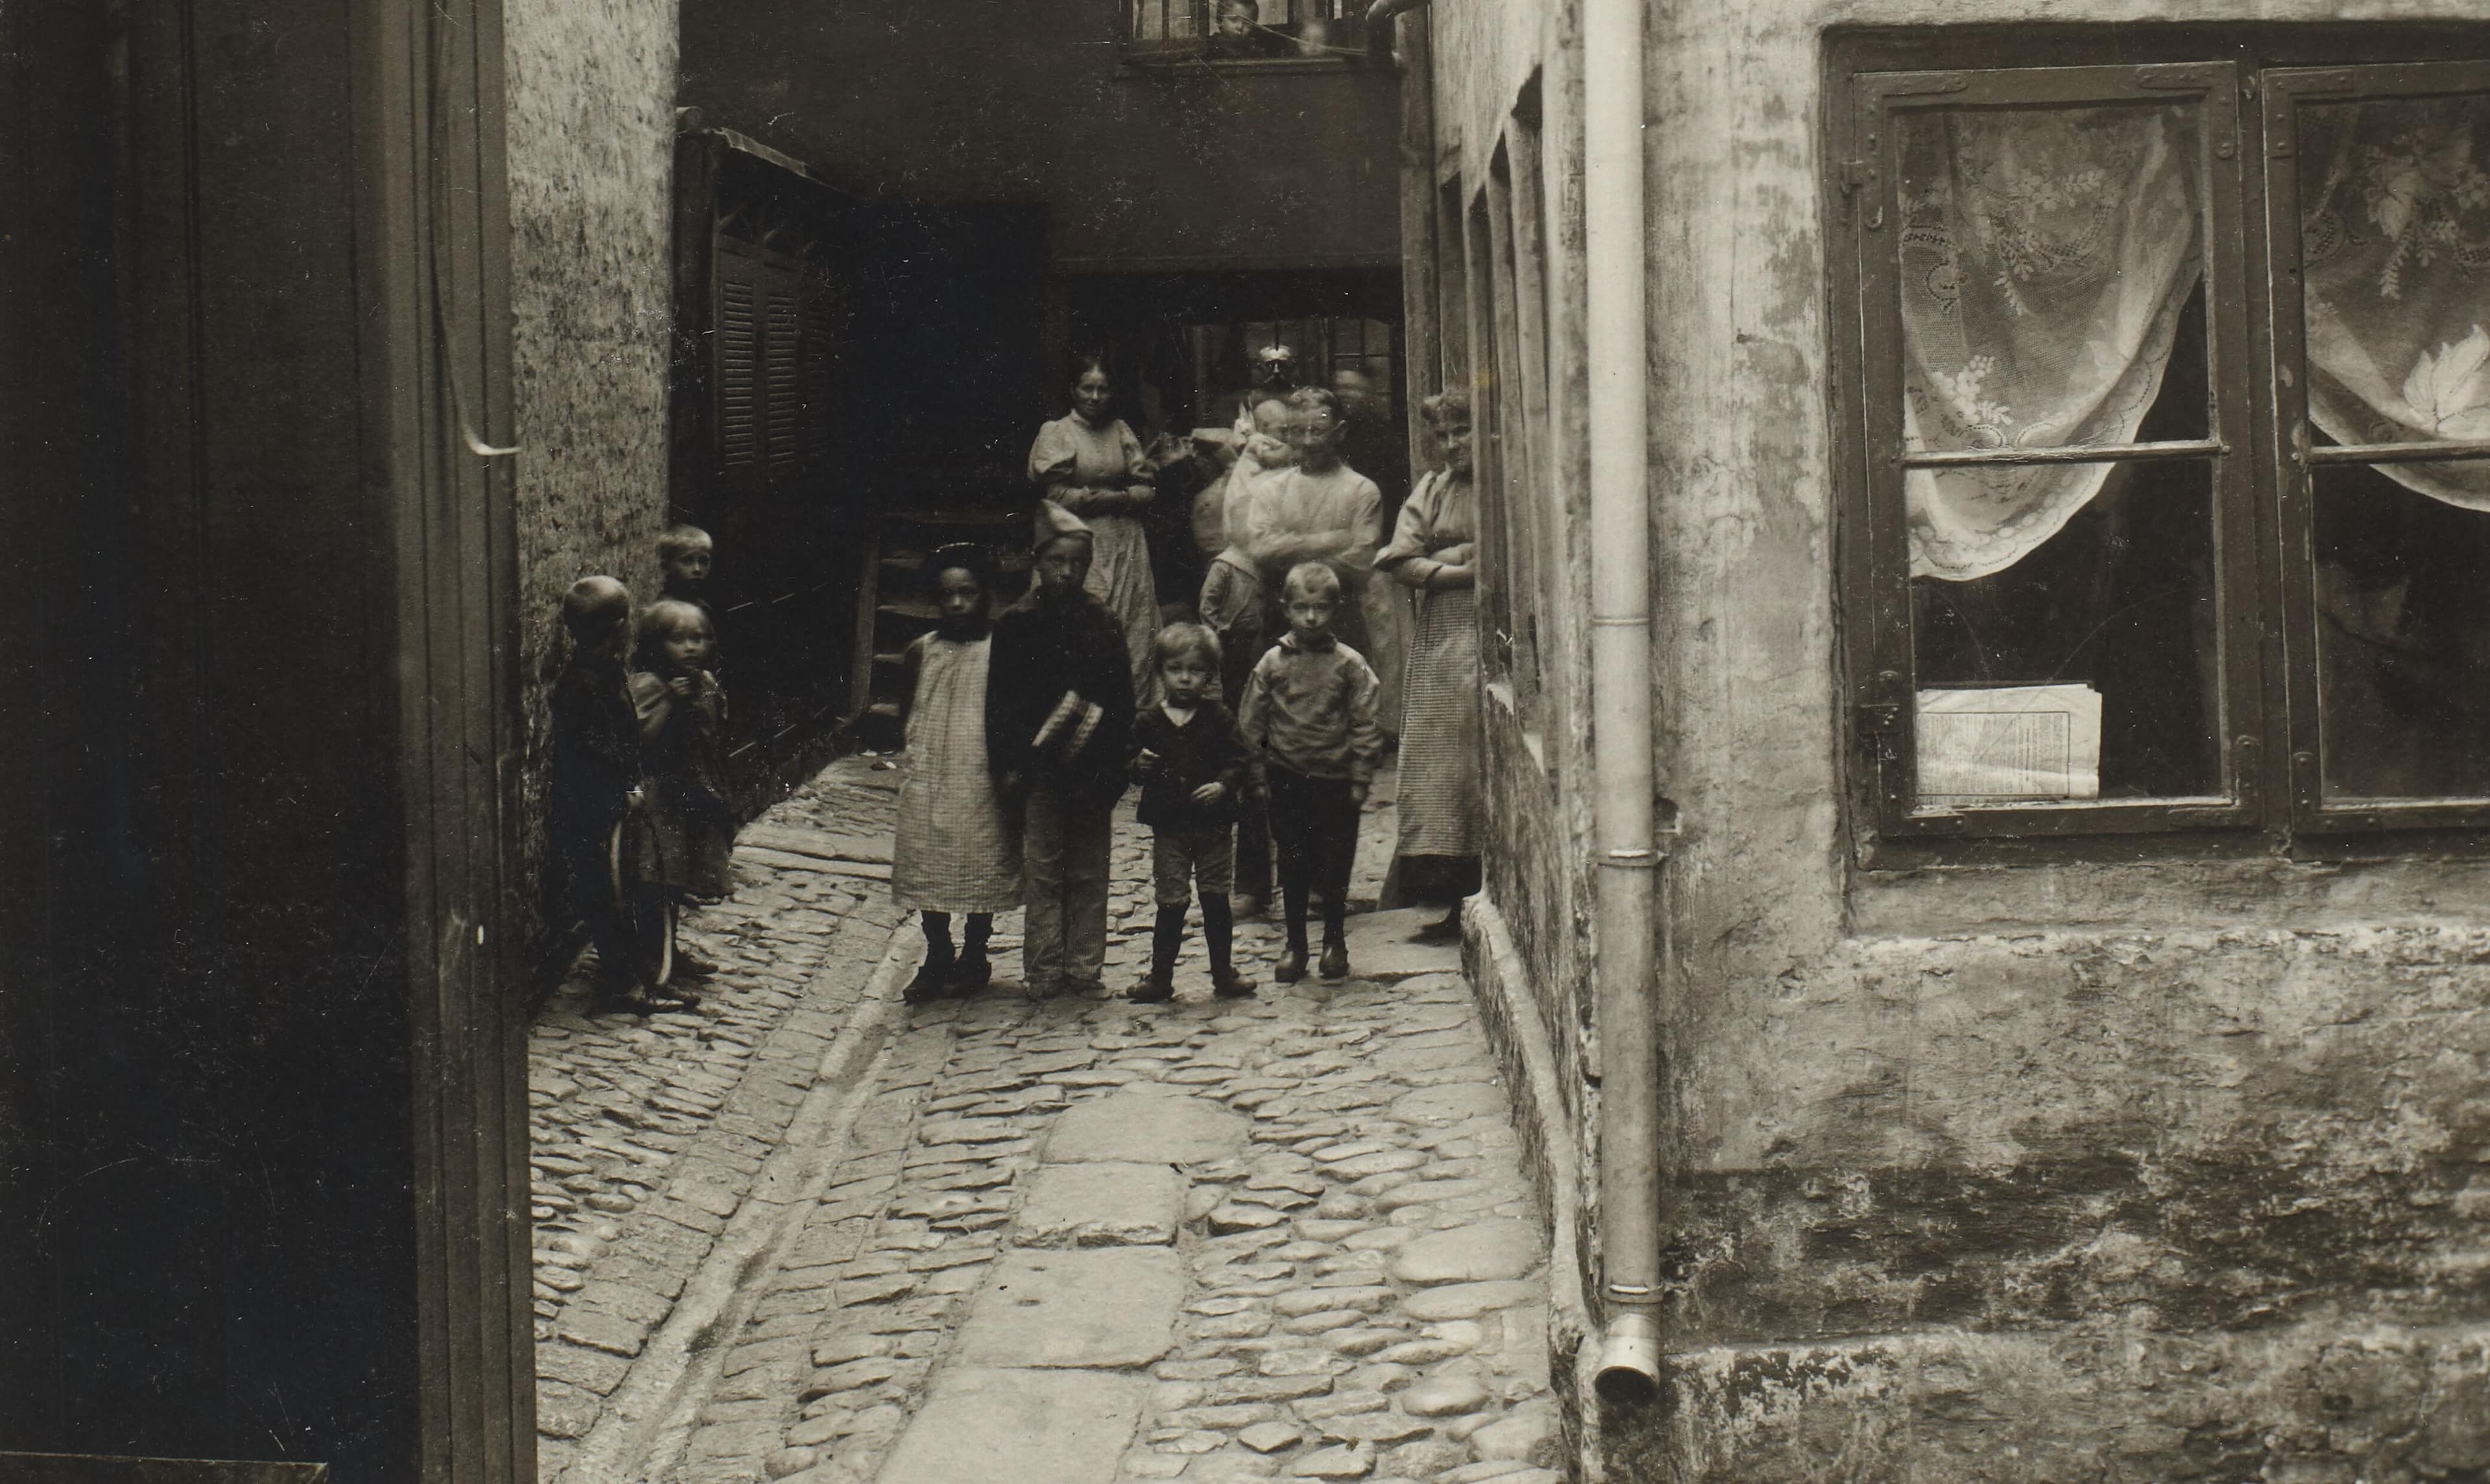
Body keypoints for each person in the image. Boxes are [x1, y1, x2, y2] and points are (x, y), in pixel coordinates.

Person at [986, 502, 1135, 999]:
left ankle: (1085, 968)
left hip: (1091, 770)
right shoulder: (1016, 624)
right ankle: (1044, 968)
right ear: (1038, 560)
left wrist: (1116, 766)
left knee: (1090, 871)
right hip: (1040, 770)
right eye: (1057, 561)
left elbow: (1120, 702)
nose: (1067, 571)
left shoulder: (1103, 623)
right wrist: (1009, 766)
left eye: (1077, 562)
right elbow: (1001, 704)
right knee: (1045, 870)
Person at [1239, 561, 1383, 985]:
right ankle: (1296, 944)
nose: (1311, 617)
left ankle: (1335, 941)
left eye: (1320, 608)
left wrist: (1360, 776)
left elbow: (1366, 722)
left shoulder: (1350, 665)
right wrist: (1258, 774)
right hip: (1288, 776)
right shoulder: (1272, 663)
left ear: (1336, 607)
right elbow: (1252, 723)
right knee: (1294, 862)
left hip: (1336, 780)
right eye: (1302, 608)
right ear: (1285, 607)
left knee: (1336, 865)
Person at [890, 545, 1019, 1003]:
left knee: (979, 855)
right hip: (932, 769)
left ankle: (976, 952)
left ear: (986, 595)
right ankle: (938, 951)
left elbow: (1012, 713)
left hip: (979, 768)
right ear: (936, 600)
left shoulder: (1001, 649)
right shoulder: (920, 652)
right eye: (948, 595)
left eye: (968, 592)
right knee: (927, 858)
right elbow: (910, 716)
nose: (958, 603)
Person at [1377, 392, 1484, 941]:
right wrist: (1451, 567)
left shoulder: (1498, 485)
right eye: (1441, 436)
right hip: (1442, 629)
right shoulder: (1434, 487)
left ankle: (1477, 883)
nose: (1452, 445)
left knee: (1472, 759)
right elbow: (1398, 556)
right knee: (1437, 762)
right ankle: (1442, 890)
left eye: (1461, 431)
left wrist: (1449, 561)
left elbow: (1502, 555)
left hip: (1483, 628)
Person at [538, 576, 660, 1016]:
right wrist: (627, 786)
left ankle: (637, 974)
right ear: (621, 625)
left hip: (603, 801)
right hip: (591, 806)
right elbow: (599, 746)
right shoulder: (582, 684)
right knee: (606, 895)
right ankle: (622, 984)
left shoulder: (606, 669)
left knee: (618, 890)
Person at [1199, 394, 1294, 916]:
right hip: (1260, 621)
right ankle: (1254, 881)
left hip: (1312, 614)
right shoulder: (1250, 473)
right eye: (1274, 427)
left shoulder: (1327, 478)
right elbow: (1239, 530)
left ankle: (1318, 884)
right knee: (1252, 754)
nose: (1283, 437)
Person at [1129, 624, 1257, 1004]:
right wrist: (1138, 765)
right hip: (1170, 827)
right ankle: (1160, 978)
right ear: (1161, 672)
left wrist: (1223, 785)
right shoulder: (1149, 721)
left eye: (1196, 670)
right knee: (1171, 900)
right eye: (1175, 669)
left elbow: (1240, 758)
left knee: (1215, 898)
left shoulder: (1217, 717)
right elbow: (1129, 767)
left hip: (1212, 826)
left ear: (1209, 675)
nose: (1185, 678)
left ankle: (1223, 974)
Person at [1028, 357, 1161, 700]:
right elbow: (1056, 496)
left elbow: (1148, 490)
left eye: (1103, 389)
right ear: (1073, 390)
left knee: (1131, 624)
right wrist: (1115, 498)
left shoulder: (1120, 430)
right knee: (1083, 624)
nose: (1095, 396)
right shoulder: (1057, 432)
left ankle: (1128, 712)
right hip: (1078, 542)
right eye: (1088, 388)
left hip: (1127, 543)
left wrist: (1116, 499)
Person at [626, 600, 736, 986]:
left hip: (692, 792)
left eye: (700, 638)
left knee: (677, 879)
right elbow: (640, 738)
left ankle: (671, 953)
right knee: (656, 878)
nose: (691, 647)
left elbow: (711, 735)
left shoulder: (705, 683)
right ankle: (655, 961)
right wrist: (672, 701)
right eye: (679, 640)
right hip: (660, 798)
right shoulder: (649, 686)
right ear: (657, 644)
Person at [1240, 385, 1384, 663]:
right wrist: (1329, 541)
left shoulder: (1361, 490)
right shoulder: (1272, 490)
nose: (1307, 442)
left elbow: (1361, 563)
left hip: (1343, 625)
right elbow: (1259, 551)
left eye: (1316, 431)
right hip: (1280, 624)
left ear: (1339, 432)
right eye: (1296, 431)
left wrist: (1288, 546)